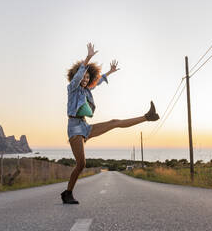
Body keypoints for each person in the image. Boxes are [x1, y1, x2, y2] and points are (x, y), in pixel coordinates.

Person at [61, 43, 160, 204]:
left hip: (85, 126)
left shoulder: (87, 90)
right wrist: (88, 58)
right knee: (81, 164)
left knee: (114, 122)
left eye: (87, 77)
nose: (85, 79)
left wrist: (110, 72)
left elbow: (98, 81)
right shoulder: (72, 88)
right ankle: (68, 193)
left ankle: (148, 117)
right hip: (74, 127)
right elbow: (79, 75)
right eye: (83, 77)